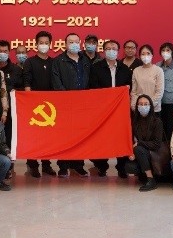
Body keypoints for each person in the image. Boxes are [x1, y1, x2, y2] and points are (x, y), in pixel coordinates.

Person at [89, 39, 132, 177]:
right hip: (102, 109)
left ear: (118, 52)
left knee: (120, 137)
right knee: (102, 138)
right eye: (108, 49)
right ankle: (102, 166)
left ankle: (121, 167)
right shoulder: (96, 68)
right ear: (103, 51)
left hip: (120, 110)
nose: (111, 51)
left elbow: (129, 88)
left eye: (114, 49)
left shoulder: (124, 69)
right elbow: (93, 89)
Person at [52, 32, 91, 177]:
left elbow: (90, 80)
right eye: (70, 42)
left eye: (76, 41)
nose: (74, 44)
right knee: (64, 136)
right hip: (65, 104)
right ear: (65, 44)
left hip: (82, 105)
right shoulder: (58, 61)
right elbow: (56, 82)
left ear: (80, 43)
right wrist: (67, 98)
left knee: (80, 135)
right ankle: (63, 166)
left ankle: (78, 165)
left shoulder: (85, 60)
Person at [23, 30, 57, 177]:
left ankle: (46, 164)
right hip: (34, 105)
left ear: (50, 44)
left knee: (47, 137)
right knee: (33, 136)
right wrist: (30, 99)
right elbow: (27, 82)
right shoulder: (30, 62)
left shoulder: (54, 62)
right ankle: (33, 164)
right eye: (41, 43)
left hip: (50, 105)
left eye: (46, 43)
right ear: (36, 44)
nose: (44, 45)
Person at [124, 95, 163, 191]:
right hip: (141, 153)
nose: (143, 106)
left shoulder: (157, 121)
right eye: (140, 104)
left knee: (138, 148)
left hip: (154, 153)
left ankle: (151, 179)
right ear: (137, 106)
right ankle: (145, 174)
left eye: (146, 104)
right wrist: (132, 152)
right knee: (129, 167)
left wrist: (139, 144)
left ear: (150, 106)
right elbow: (131, 139)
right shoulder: (134, 122)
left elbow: (157, 144)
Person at [0, 39, 23, 148]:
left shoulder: (16, 70)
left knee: (9, 140)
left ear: (9, 52)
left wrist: (16, 91)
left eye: (5, 51)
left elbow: (22, 89)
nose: (3, 53)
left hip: (11, 112)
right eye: (0, 51)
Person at [130, 44, 164, 115]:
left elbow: (159, 92)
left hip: (154, 109)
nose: (145, 56)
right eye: (143, 54)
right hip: (139, 108)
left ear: (152, 55)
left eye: (148, 53)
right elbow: (134, 91)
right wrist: (134, 105)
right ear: (140, 56)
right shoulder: (136, 70)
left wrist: (149, 106)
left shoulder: (158, 70)